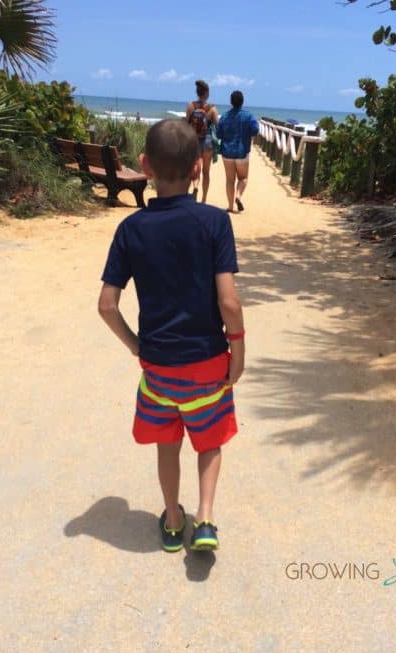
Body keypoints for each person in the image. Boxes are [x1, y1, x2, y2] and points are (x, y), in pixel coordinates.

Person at [98, 119, 245, 553]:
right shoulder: (215, 223)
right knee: (210, 440)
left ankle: (173, 519)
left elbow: (107, 305)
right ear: (198, 168)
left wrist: (136, 345)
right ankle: (205, 519)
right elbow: (230, 302)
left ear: (145, 166)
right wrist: (237, 352)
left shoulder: (130, 230)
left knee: (168, 443)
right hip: (208, 366)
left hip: (158, 369)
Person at [217, 90, 259, 213]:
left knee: (230, 180)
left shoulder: (224, 116)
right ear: (242, 102)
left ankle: (230, 207)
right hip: (242, 151)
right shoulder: (249, 116)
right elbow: (255, 130)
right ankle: (238, 196)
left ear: (231, 102)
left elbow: (219, 134)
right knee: (243, 178)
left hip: (227, 152)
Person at [185, 80, 219, 203]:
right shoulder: (212, 108)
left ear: (197, 93)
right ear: (207, 93)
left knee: (194, 168)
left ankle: (195, 187)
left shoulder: (191, 106)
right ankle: (204, 199)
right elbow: (218, 126)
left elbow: (186, 124)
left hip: (194, 140)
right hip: (208, 141)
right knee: (206, 171)